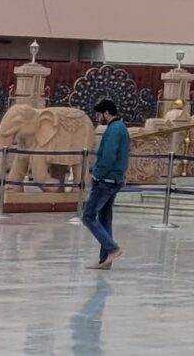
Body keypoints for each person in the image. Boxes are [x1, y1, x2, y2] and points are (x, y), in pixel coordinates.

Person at [81, 98, 129, 271]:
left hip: (106, 180)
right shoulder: (120, 127)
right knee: (105, 218)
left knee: (88, 216)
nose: (98, 117)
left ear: (106, 113)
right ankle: (105, 260)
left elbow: (109, 155)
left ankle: (112, 248)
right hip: (114, 179)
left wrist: (98, 174)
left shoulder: (114, 129)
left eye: (100, 114)